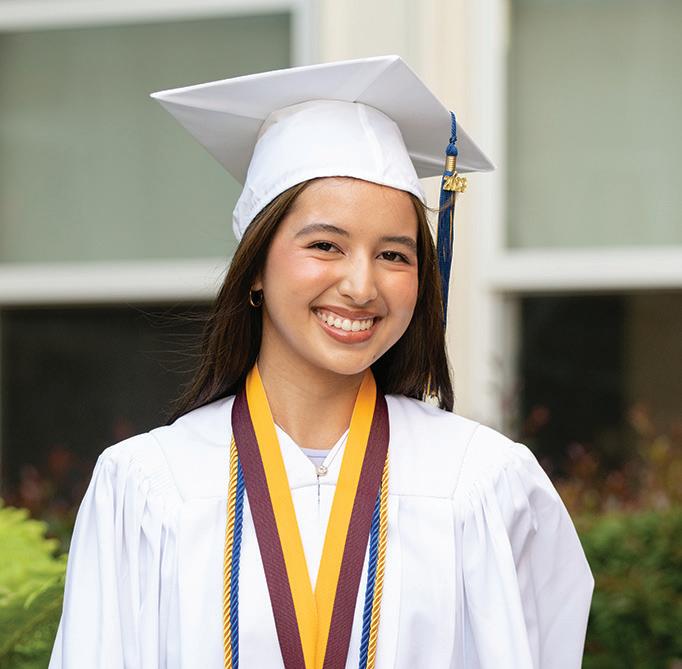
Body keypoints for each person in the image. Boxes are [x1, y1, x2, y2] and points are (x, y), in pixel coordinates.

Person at [48, 56, 594, 668]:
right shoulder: (148, 484)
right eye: (326, 245)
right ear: (256, 265)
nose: (361, 287)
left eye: (394, 255)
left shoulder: (481, 481)